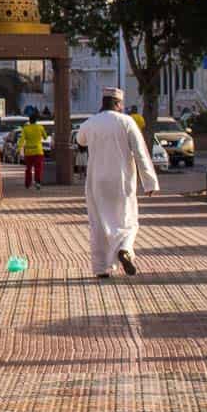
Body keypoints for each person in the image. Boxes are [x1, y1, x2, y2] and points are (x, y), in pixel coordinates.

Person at [75, 87, 158, 278]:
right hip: (122, 181)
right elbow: (140, 152)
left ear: (102, 103)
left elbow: (81, 140)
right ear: (118, 104)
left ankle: (101, 268)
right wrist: (150, 182)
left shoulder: (90, 123)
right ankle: (125, 249)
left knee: (98, 224)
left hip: (97, 181)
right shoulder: (126, 121)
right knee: (127, 220)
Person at [19, 114, 46, 190]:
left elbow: (22, 140)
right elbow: (45, 137)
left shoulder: (25, 129)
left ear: (29, 121)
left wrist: (19, 148)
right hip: (38, 151)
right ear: (36, 121)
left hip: (29, 152)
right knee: (38, 168)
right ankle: (38, 182)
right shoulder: (40, 127)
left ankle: (28, 183)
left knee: (28, 168)